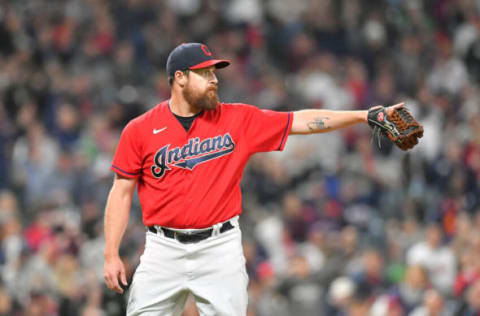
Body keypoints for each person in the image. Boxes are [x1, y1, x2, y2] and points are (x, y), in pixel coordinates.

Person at [103, 42, 403, 316]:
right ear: (179, 78)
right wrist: (111, 253)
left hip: (218, 247)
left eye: (214, 73)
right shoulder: (139, 130)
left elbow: (301, 120)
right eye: (204, 73)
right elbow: (120, 192)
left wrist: (362, 115)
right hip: (162, 249)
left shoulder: (237, 119)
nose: (214, 80)